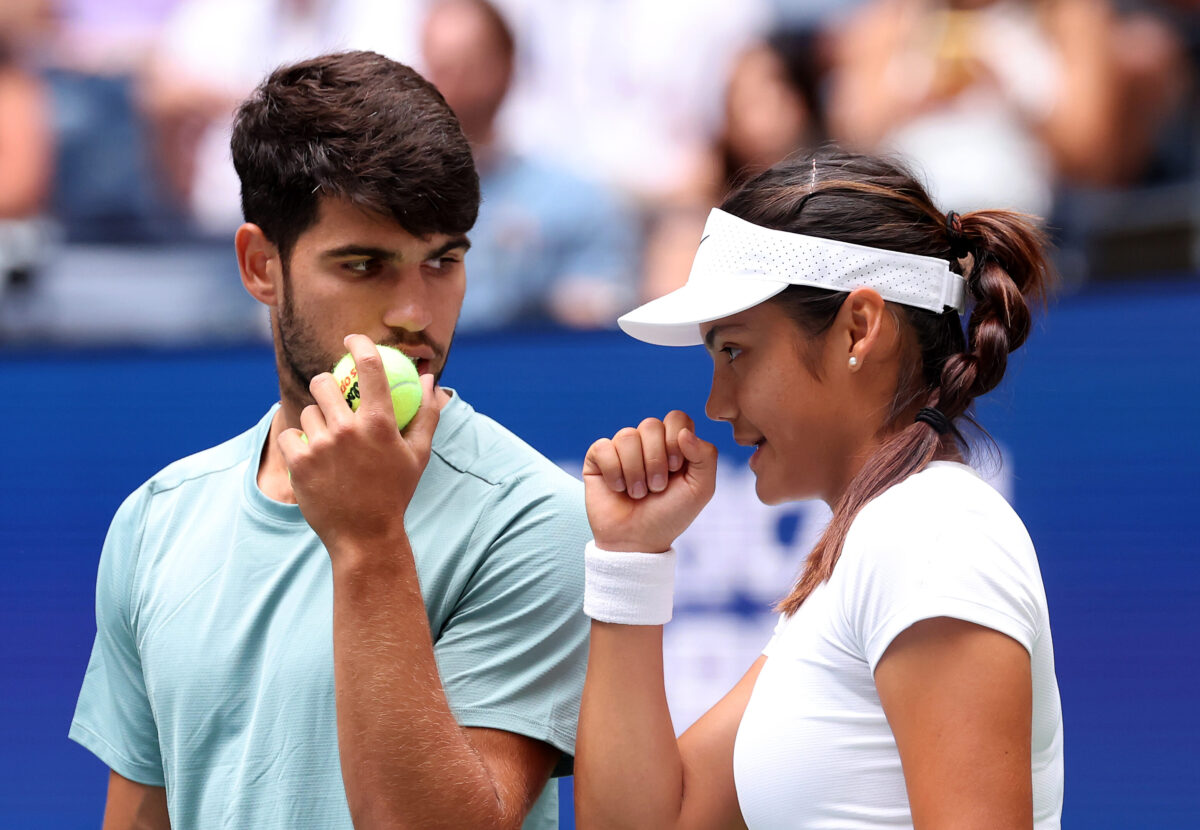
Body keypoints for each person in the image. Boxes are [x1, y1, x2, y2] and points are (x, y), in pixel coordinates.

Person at [69, 51, 590, 830]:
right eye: (365, 265)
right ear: (260, 266)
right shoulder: (156, 519)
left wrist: (369, 539)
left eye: (443, 260)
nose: (416, 311)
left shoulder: (538, 519)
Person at [575, 149, 1063, 828]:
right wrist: (628, 558)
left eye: (735, 349)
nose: (715, 402)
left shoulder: (930, 533)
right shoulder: (883, 540)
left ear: (859, 329)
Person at [420, 0, 640, 331]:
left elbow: (599, 314)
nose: (453, 86)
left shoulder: (578, 202)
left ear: (508, 67)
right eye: (440, 68)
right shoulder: (396, 203)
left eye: (468, 66)